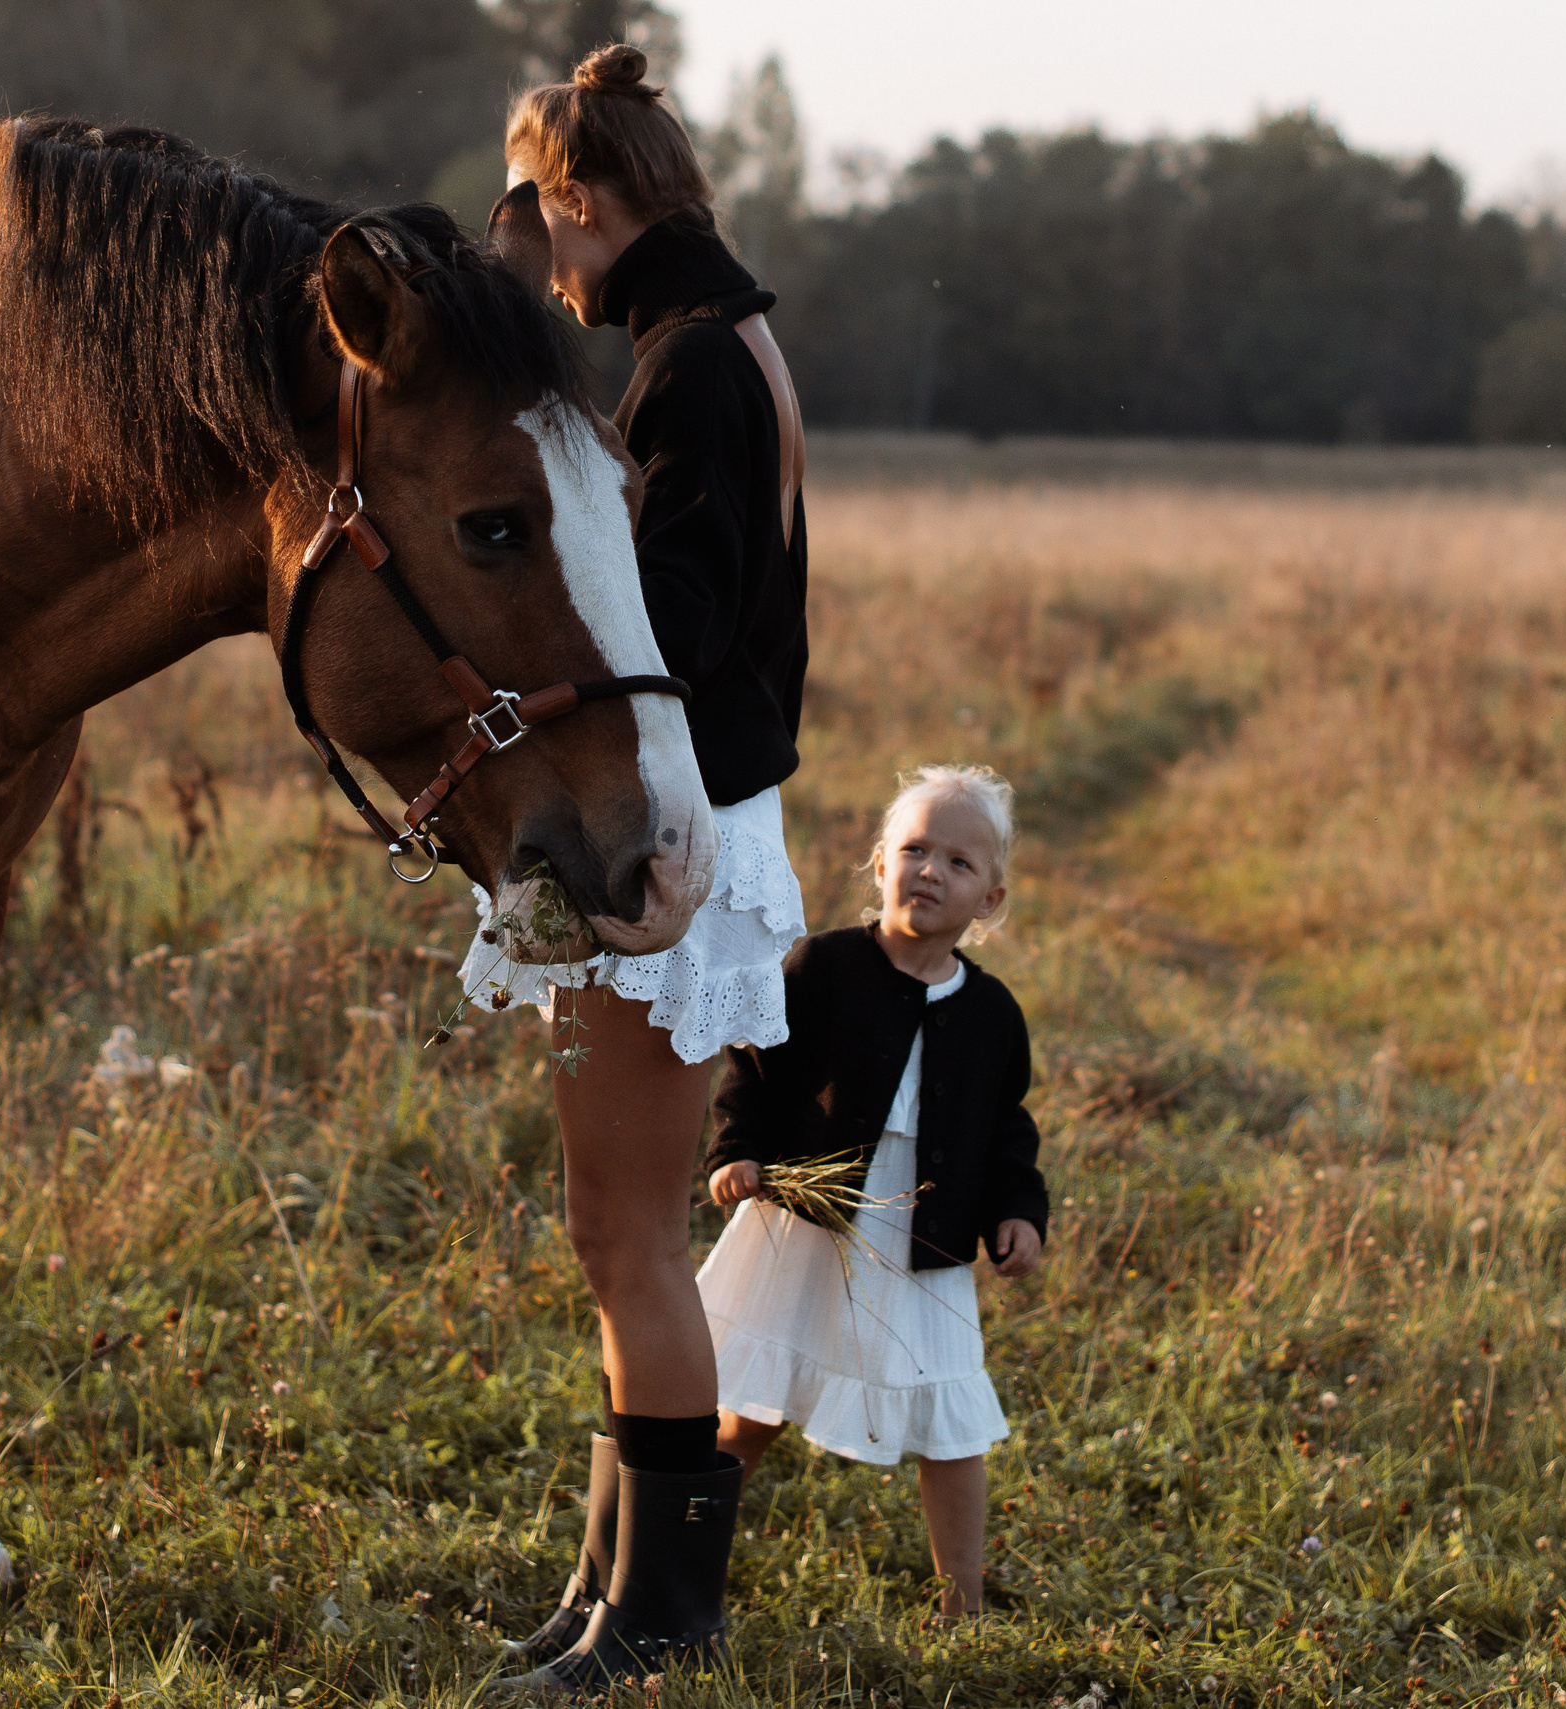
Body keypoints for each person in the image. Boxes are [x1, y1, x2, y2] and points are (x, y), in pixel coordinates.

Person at [463, 42, 810, 1695]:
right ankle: (614, 1585)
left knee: (629, 1237)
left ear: (583, 202)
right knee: (622, 1228)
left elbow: (671, 621)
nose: (534, 250)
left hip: (672, 833)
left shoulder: (688, 369)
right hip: (694, 817)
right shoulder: (726, 334)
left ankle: (663, 1612)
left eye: (536, 217)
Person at [695, 765, 1048, 1619]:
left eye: (958, 862)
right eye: (916, 848)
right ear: (881, 859)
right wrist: (738, 1151)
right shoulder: (827, 965)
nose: (931, 870)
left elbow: (1009, 1128)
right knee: (750, 1410)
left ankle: (960, 1601)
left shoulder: (993, 1012)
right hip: (810, 1216)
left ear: (990, 900)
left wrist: (1019, 1212)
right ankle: (676, 1560)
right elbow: (756, 1065)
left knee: (951, 1423)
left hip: (922, 1238)